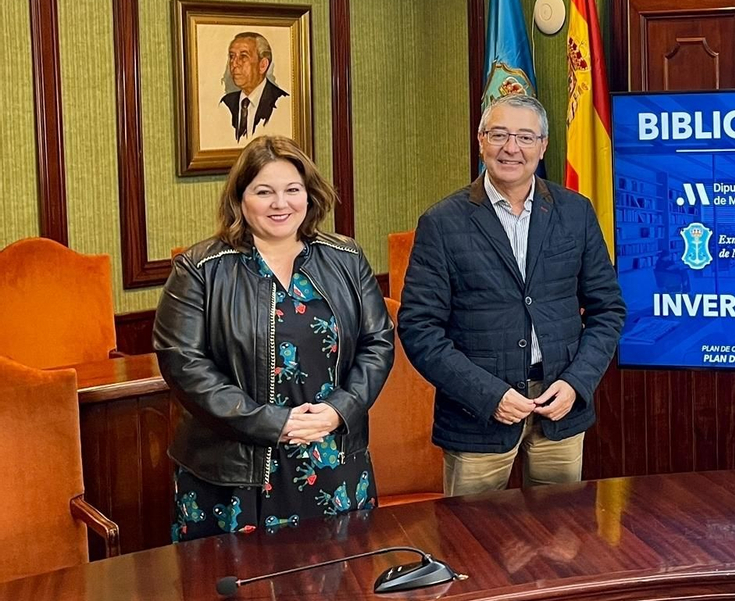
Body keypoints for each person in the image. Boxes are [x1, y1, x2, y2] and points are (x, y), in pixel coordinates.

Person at [153, 136, 393, 540]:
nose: (280, 204)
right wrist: (273, 423)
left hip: (330, 456)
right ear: (240, 199)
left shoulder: (347, 258)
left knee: (338, 592)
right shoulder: (199, 269)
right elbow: (183, 364)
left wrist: (341, 409)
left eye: (292, 190)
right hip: (233, 470)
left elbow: (378, 343)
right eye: (264, 192)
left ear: (309, 194)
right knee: (232, 594)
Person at [398, 94, 625, 496]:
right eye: (499, 135)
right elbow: (419, 329)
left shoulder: (575, 212)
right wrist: (489, 395)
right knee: (472, 545)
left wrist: (575, 383)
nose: (511, 148)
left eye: (524, 137)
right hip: (477, 418)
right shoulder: (442, 223)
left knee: (562, 543)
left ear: (543, 145)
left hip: (560, 408)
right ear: (481, 140)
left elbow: (608, 311)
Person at [221, 32, 290, 141]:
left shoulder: (282, 103)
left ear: (262, 65)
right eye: (232, 56)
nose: (234, 63)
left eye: (243, 56)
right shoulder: (225, 104)